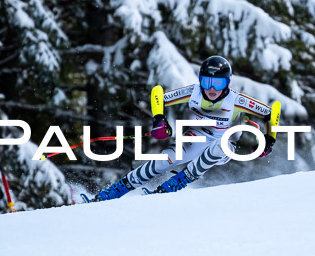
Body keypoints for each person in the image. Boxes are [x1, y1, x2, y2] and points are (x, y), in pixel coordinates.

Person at [87, 56, 275, 202]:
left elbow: (272, 112)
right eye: (207, 82)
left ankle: (177, 183)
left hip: (224, 145)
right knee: (164, 160)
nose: (211, 89)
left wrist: (269, 139)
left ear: (227, 83)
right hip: (197, 136)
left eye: (218, 83)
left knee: (221, 145)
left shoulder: (237, 101)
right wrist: (159, 119)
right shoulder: (193, 92)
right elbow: (158, 94)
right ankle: (111, 193)